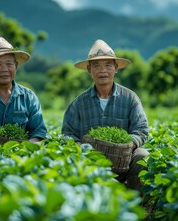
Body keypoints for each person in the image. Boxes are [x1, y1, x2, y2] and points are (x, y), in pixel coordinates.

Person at [61, 39, 149, 190]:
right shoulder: (79, 103)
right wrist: (80, 147)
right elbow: (67, 134)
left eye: (108, 65)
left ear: (116, 68)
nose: (103, 70)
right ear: (89, 70)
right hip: (90, 166)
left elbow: (141, 129)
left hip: (124, 162)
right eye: (96, 66)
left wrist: (128, 144)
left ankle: (136, 203)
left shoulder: (130, 98)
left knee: (142, 156)